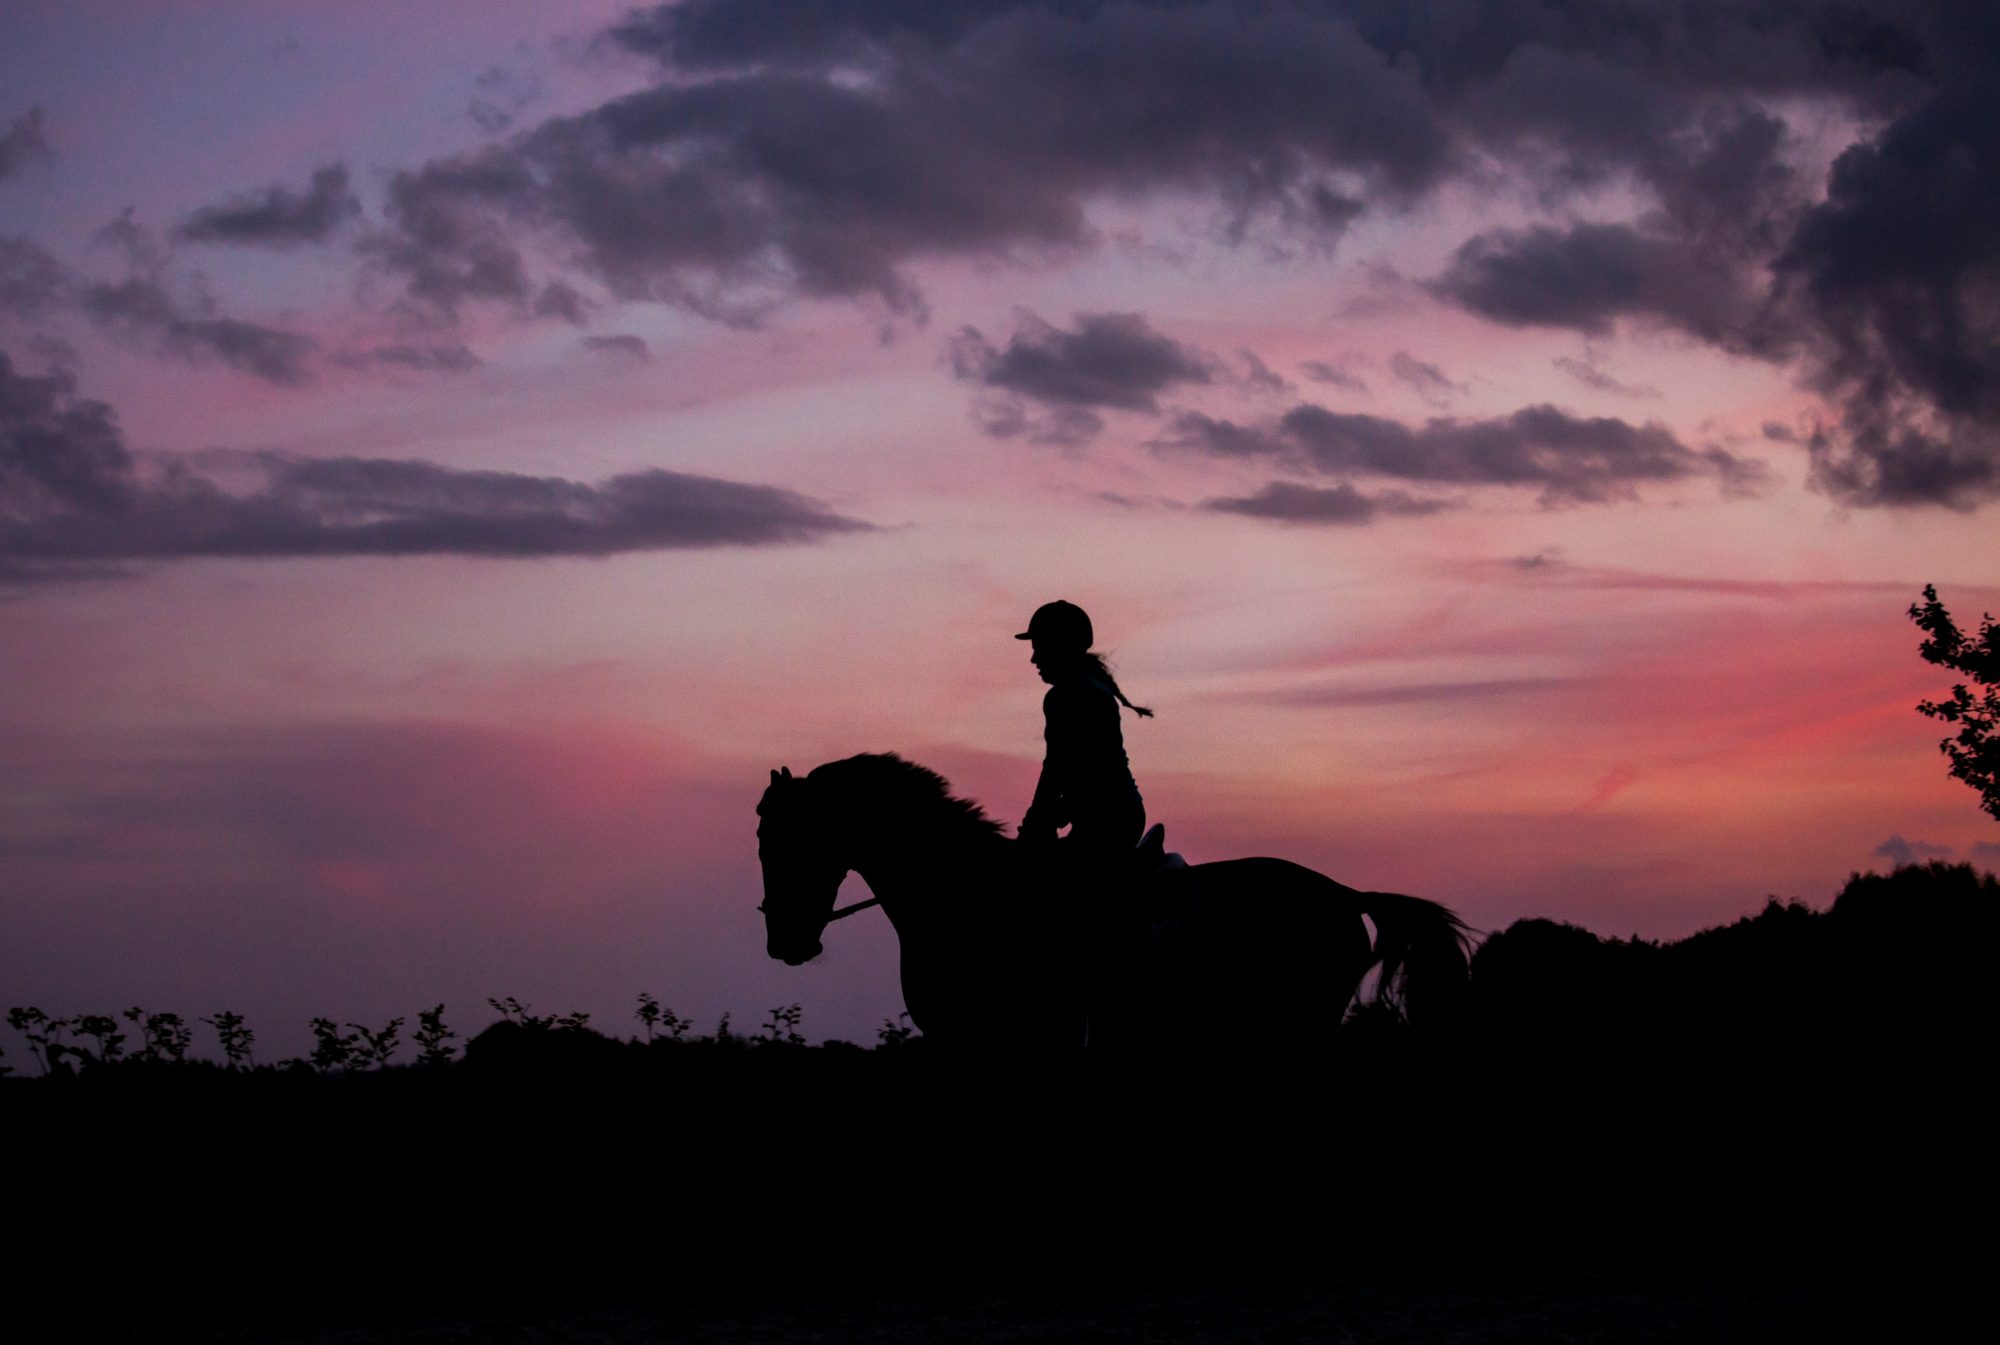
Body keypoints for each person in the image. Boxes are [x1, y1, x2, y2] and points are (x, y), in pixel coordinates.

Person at [1016, 600, 1151, 869]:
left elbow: (1062, 767)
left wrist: (1039, 818)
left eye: (1039, 647)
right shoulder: (1072, 694)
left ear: (1061, 646)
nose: (1033, 658)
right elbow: (1066, 768)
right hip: (1104, 816)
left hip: (1109, 822)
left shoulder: (1077, 696)